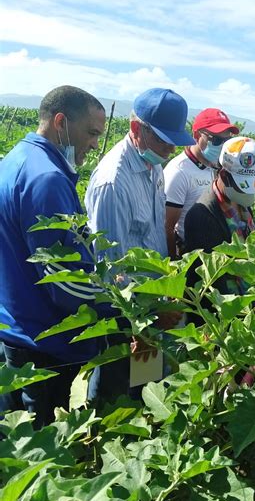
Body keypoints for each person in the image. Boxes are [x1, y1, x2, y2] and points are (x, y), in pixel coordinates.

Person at [0, 85, 109, 427]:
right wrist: (121, 306)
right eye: (91, 133)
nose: (95, 144)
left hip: (15, 328)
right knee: (44, 454)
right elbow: (65, 283)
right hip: (44, 343)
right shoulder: (47, 178)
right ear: (61, 122)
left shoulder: (16, 159)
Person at [85, 87, 194, 404]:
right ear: (136, 129)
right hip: (124, 311)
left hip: (152, 306)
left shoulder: (154, 165)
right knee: (114, 389)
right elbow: (110, 268)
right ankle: (99, 440)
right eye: (162, 139)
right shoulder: (113, 182)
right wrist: (146, 314)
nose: (170, 149)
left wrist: (164, 294)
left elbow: (155, 236)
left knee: (146, 388)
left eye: (174, 140)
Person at [184, 136, 255, 303]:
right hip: (219, 310)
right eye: (243, 186)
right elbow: (211, 281)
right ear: (223, 175)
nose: (249, 193)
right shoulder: (202, 216)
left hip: (245, 298)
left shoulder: (240, 203)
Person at [164, 108, 239, 258]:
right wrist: (173, 263)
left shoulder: (216, 166)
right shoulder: (179, 172)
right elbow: (168, 226)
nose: (221, 146)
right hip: (191, 254)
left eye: (225, 141)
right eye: (216, 140)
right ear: (197, 135)